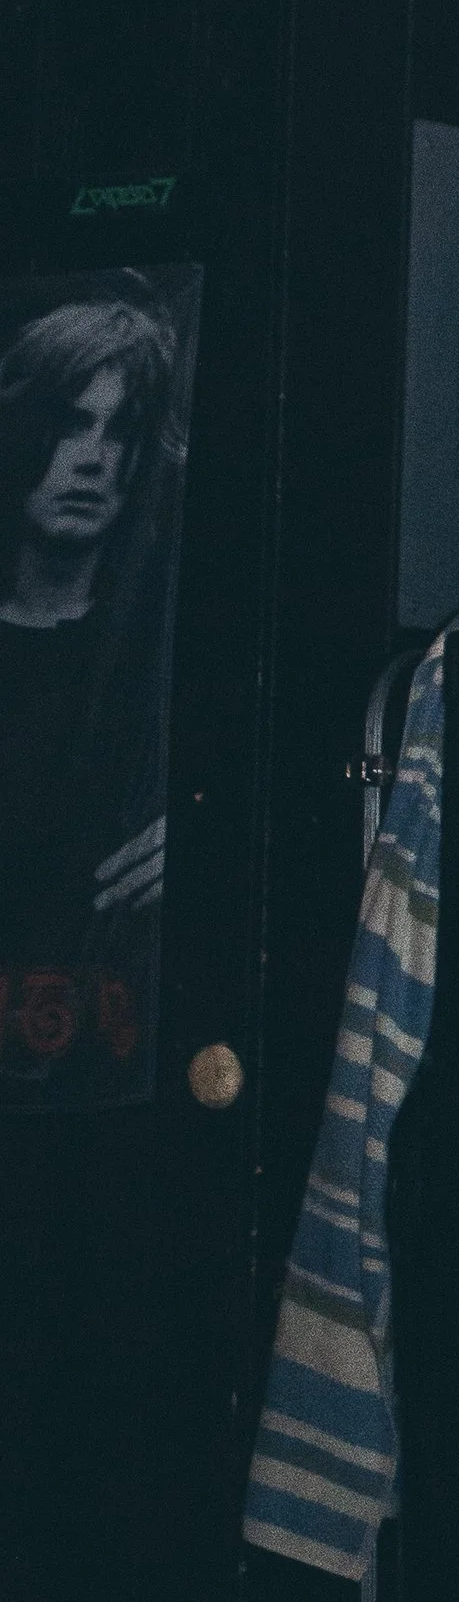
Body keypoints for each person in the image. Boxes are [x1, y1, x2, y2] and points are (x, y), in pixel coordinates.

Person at [0, 287, 185, 1096]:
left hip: (108, 1084)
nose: (92, 458)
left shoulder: (157, 653)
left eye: (121, 432)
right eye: (71, 423)